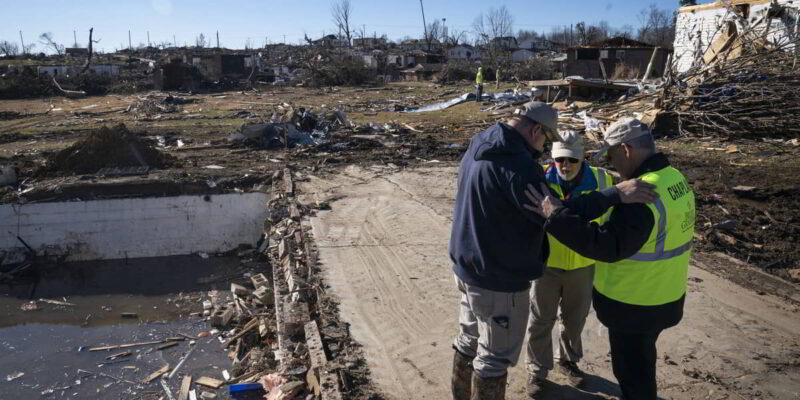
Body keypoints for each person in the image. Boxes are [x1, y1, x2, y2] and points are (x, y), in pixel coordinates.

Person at [449, 105, 657, 400]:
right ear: (536, 131)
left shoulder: (480, 143)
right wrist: (615, 194)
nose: (544, 149)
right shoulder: (518, 166)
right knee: (494, 358)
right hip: (498, 277)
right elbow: (553, 212)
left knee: (468, 340)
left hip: (468, 264)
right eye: (546, 142)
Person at [524, 118, 695, 400]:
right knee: (640, 367)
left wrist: (556, 216)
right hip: (665, 296)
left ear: (626, 149)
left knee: (635, 378)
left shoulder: (641, 193)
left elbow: (606, 245)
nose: (613, 164)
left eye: (612, 155)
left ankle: (571, 362)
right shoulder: (674, 178)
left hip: (635, 303)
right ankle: (539, 370)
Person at [525, 135, 613, 398]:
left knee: (574, 320)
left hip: (583, 264)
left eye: (571, 159)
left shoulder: (602, 180)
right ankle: (537, 371)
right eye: (559, 158)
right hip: (546, 263)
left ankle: (568, 361)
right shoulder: (539, 178)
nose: (565, 165)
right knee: (541, 319)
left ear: (582, 158)